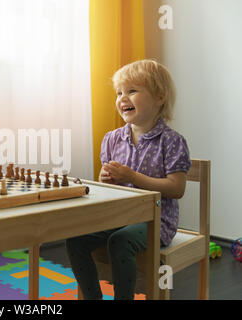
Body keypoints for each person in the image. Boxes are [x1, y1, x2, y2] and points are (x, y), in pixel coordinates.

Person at [65, 59, 191, 300]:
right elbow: (106, 189)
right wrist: (106, 180)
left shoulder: (171, 141)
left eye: (132, 91)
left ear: (160, 97)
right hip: (119, 216)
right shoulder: (112, 139)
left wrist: (133, 177)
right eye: (119, 92)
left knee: (120, 241)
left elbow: (177, 188)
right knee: (76, 239)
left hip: (157, 221)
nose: (123, 98)